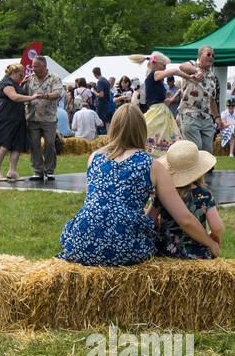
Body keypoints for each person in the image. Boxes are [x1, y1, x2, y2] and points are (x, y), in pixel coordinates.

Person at [58, 104, 220, 267]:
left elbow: (96, 203)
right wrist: (210, 243)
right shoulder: (153, 166)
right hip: (127, 247)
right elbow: (184, 219)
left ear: (113, 128)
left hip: (80, 242)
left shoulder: (94, 158)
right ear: (143, 129)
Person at [151, 139, 223, 260]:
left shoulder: (162, 194)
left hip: (166, 252)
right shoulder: (204, 195)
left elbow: (150, 219)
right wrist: (214, 238)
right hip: (198, 253)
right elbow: (217, 227)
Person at [0, 63, 35, 182]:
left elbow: (18, 91)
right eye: (20, 75)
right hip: (7, 118)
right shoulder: (6, 83)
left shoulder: (14, 83)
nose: (21, 77)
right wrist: (32, 97)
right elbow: (14, 97)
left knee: (17, 145)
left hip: (17, 118)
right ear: (13, 73)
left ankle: (12, 171)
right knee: (5, 145)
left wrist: (23, 82)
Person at [177, 45, 222, 152]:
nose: (211, 57)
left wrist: (217, 117)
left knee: (207, 153)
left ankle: (208, 170)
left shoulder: (212, 77)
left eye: (213, 55)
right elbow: (181, 66)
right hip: (190, 115)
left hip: (206, 119)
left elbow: (212, 100)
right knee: (195, 150)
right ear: (199, 55)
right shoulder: (192, 65)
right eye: (208, 54)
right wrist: (196, 71)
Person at [23, 56, 62, 180]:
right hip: (32, 117)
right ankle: (37, 171)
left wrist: (45, 95)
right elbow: (22, 94)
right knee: (34, 144)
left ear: (44, 66)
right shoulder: (30, 79)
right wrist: (21, 83)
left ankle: (49, 170)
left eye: (36, 66)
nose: (33, 69)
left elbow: (58, 94)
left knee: (50, 144)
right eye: (33, 66)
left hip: (48, 118)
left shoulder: (54, 78)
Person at [143, 51, 180, 154]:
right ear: (155, 64)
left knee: (162, 136)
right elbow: (174, 71)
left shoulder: (157, 80)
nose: (165, 68)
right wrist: (186, 76)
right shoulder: (154, 74)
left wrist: (166, 97)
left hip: (162, 111)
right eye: (164, 65)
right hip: (158, 112)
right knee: (155, 135)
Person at [92, 66, 111, 133]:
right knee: (103, 122)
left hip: (101, 104)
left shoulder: (100, 82)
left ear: (94, 74)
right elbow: (109, 93)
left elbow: (101, 95)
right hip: (106, 103)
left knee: (99, 122)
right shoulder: (106, 80)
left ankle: (101, 138)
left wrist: (94, 91)